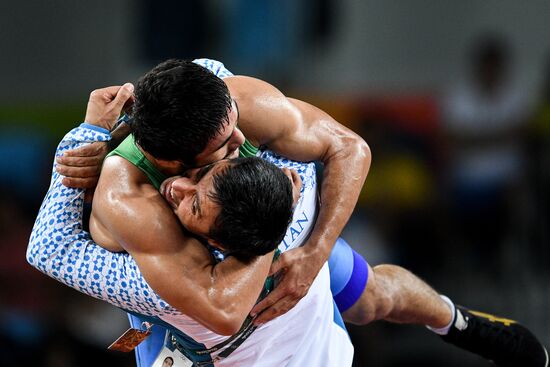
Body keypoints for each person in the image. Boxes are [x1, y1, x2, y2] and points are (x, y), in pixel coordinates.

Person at [47, 59, 547, 366]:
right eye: (222, 149)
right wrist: (281, 225)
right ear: (172, 163)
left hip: (269, 241)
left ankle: (459, 323)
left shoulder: (233, 106)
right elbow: (221, 310)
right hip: (195, 328)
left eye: (233, 127)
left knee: (372, 296)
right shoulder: (129, 198)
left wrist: (314, 250)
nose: (242, 141)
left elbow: (350, 148)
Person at [28, 87, 353, 366]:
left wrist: (89, 133)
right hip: (320, 327)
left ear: (218, 245)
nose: (177, 188)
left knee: (378, 296)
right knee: (377, 296)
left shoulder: (158, 281)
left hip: (289, 326)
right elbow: (204, 75)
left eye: (195, 206)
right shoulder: (293, 177)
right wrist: (309, 246)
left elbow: (49, 249)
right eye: (197, 177)